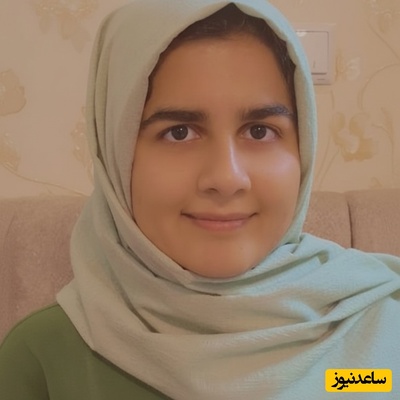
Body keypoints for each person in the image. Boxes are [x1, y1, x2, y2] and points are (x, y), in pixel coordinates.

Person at [0, 0, 399, 399]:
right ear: (116, 155)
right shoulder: (43, 358)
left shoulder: (382, 324)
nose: (227, 178)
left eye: (259, 130)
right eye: (179, 132)